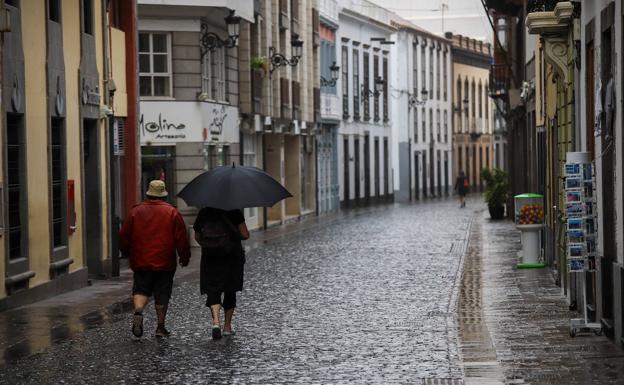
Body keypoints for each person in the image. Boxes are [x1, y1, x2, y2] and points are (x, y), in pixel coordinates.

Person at [120, 180, 191, 338]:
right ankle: (160, 327)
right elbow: (181, 238)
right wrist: (184, 257)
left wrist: (126, 251)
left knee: (140, 289)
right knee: (162, 292)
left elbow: (124, 235)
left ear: (148, 193)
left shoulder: (135, 212)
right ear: (164, 195)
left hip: (141, 259)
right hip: (164, 261)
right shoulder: (172, 212)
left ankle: (138, 311)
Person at [193, 207, 249, 340]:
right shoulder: (234, 211)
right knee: (230, 289)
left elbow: (197, 236)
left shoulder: (204, 212)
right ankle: (227, 327)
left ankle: (216, 323)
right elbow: (245, 234)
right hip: (231, 256)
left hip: (210, 257)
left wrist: (209, 245)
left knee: (213, 289)